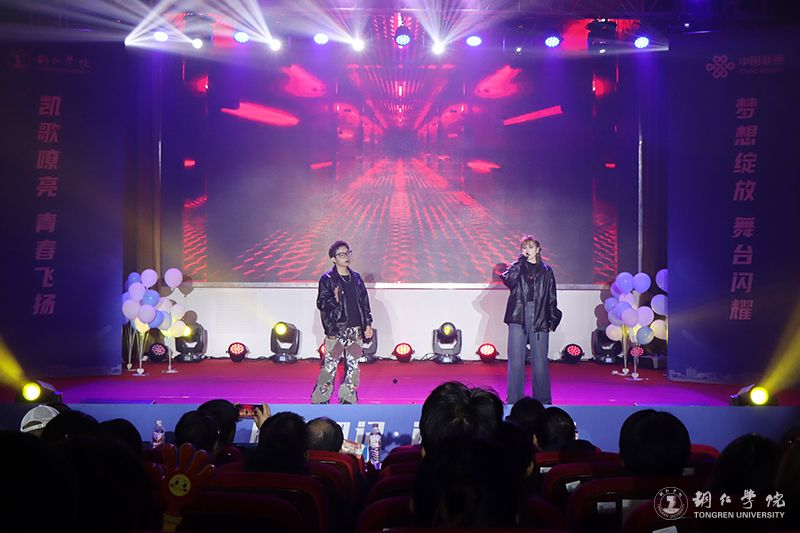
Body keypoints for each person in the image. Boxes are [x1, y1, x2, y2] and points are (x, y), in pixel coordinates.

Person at [501, 235, 561, 404]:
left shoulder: (547, 271)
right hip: (518, 314)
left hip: (540, 313)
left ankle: (543, 401)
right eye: (524, 247)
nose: (527, 250)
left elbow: (551, 296)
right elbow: (509, 281)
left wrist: (551, 319)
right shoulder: (517, 267)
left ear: (538, 249)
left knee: (540, 361)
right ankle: (513, 401)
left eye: (530, 247)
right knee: (516, 359)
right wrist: (519, 263)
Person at [311, 240, 374, 404]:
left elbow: (364, 303)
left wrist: (367, 324)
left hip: (355, 329)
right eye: (341, 254)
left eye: (347, 253)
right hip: (336, 329)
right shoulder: (327, 279)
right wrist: (335, 300)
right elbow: (321, 303)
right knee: (329, 367)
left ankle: (348, 398)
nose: (346, 257)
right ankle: (321, 398)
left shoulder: (356, 278)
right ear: (333, 258)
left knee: (353, 367)